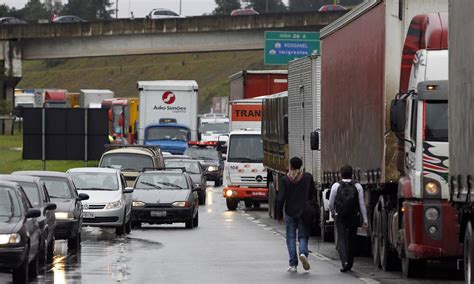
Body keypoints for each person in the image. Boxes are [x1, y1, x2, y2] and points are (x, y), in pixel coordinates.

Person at [276, 157, 317, 273]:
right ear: (300, 165)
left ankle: (293, 264)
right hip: (304, 212)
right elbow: (313, 194)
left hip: (290, 212)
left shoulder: (285, 179)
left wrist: (278, 214)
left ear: (291, 166)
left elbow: (280, 198)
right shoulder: (307, 177)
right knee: (303, 236)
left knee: (290, 238)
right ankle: (303, 253)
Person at [328, 164, 368, 272]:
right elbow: (362, 204)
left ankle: (344, 261)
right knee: (351, 239)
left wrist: (333, 213)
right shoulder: (358, 186)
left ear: (341, 174)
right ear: (352, 174)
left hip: (340, 216)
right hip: (353, 216)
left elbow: (331, 203)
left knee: (341, 238)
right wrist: (365, 220)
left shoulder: (336, 186)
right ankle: (350, 263)